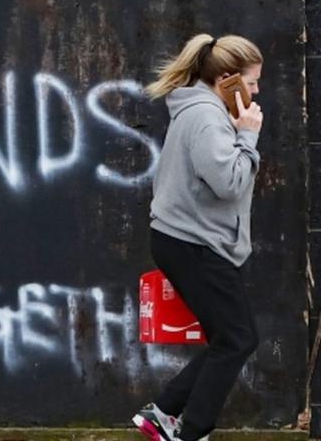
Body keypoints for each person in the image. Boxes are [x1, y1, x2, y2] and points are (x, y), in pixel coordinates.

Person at [131, 33, 264, 441]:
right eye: (253, 81)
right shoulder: (207, 117)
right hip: (193, 244)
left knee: (230, 337)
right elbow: (229, 182)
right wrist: (249, 134)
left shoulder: (203, 111)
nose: (257, 90)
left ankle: (163, 414)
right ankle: (192, 431)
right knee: (238, 339)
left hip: (189, 242)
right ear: (228, 79)